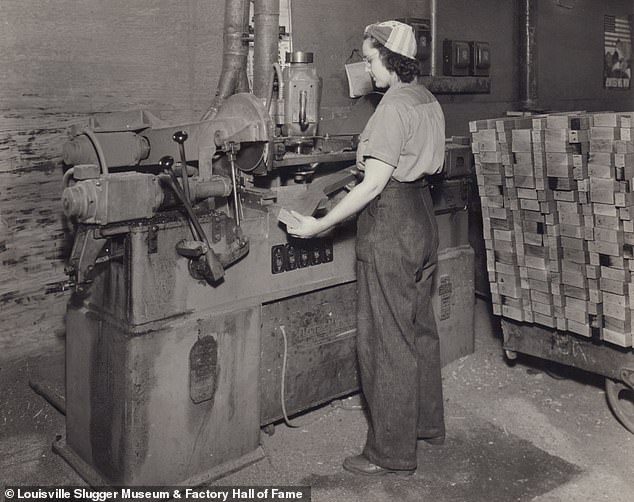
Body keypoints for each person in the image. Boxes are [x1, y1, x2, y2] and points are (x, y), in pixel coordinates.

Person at [285, 20, 446, 476]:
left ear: (391, 61)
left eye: (370, 59)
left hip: (392, 224)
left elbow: (375, 183)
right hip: (422, 218)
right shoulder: (426, 98)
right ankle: (427, 425)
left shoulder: (392, 107)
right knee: (419, 329)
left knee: (385, 340)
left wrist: (321, 224)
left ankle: (390, 451)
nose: (366, 68)